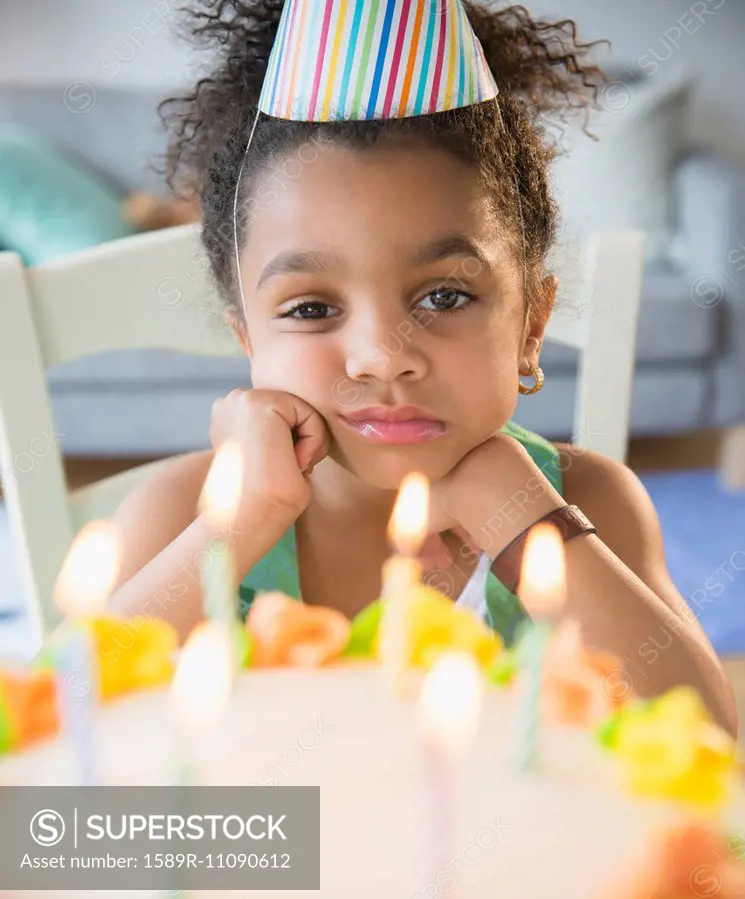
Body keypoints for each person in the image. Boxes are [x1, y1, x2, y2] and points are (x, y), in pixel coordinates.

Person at [108, 1, 736, 735]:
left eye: (444, 294)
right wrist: (241, 523)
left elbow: (710, 745)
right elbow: (66, 721)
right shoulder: (187, 507)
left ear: (531, 323)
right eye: (310, 308)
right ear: (249, 341)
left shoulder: (590, 499)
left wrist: (527, 521)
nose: (383, 356)